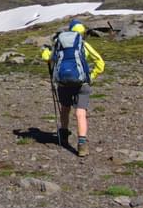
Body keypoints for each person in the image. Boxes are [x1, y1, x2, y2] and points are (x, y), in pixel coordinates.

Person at [41, 19, 104, 157]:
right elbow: (100, 62)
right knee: (80, 113)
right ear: (82, 32)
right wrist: (91, 76)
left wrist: (45, 51)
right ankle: (82, 145)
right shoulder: (83, 44)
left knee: (65, 108)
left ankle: (63, 135)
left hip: (63, 83)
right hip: (82, 83)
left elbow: (47, 58)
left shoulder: (60, 44)